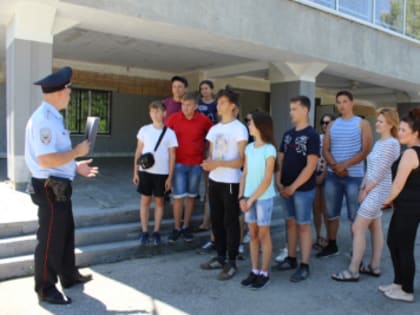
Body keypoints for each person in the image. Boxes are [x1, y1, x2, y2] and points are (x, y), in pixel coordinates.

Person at [25, 67, 98, 305]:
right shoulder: (43, 120)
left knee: (66, 232)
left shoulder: (53, 117)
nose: (70, 95)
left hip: (59, 184)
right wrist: (77, 151)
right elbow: (45, 160)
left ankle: (69, 276)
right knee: (50, 238)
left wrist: (75, 166)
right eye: (69, 90)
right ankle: (45, 287)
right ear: (60, 91)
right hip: (49, 187)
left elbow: (56, 157)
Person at [332, 108, 400, 282]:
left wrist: (366, 190)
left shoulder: (392, 144)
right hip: (372, 187)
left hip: (379, 190)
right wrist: (363, 185)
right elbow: (370, 169)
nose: (376, 123)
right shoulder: (379, 143)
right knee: (375, 226)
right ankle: (374, 266)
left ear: (391, 124)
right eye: (377, 120)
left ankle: (353, 270)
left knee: (357, 227)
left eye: (381, 121)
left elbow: (381, 171)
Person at [317, 91, 373, 258]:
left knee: (354, 215)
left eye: (345, 101)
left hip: (354, 177)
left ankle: (356, 250)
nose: (341, 105)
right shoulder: (333, 125)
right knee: (331, 213)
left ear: (352, 103)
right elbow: (325, 149)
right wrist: (335, 166)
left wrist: (344, 165)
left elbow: (365, 150)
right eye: (339, 102)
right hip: (334, 176)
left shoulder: (362, 123)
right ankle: (332, 244)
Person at [200, 86, 248, 280]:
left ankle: (232, 261)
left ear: (232, 106)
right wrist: (209, 164)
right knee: (216, 220)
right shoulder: (214, 129)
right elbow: (211, 155)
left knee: (231, 222)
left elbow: (242, 161)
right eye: (218, 102)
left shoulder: (240, 129)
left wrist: (218, 163)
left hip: (231, 182)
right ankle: (219, 257)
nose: (218, 106)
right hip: (215, 181)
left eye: (222, 102)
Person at [274, 96, 320, 282]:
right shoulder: (288, 134)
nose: (290, 112)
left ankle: (304, 264)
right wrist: (278, 181)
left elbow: (311, 166)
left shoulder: (312, 135)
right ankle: (291, 258)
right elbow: (280, 158)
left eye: (294, 109)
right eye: (290, 108)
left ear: (305, 110)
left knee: (303, 225)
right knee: (290, 223)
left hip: (302, 190)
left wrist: (293, 187)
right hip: (286, 187)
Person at [379, 108, 420, 303]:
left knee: (403, 246)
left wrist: (384, 201)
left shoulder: (411, 153)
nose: (400, 132)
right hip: (407, 206)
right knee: (394, 242)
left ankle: (407, 290)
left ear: (416, 133)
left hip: (408, 207)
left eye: (404, 130)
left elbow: (397, 184)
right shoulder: (411, 152)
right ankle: (398, 282)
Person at [166, 93, 212, 243]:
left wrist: (208, 152)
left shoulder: (203, 120)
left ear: (196, 106)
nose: (185, 108)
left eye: (189, 105)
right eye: (183, 105)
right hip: (178, 163)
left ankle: (186, 227)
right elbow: (164, 135)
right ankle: (176, 227)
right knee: (178, 197)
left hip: (196, 165)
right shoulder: (174, 118)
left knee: (191, 197)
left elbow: (213, 135)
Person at [239, 112, 277, 289]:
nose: (248, 125)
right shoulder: (249, 148)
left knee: (263, 235)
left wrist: (251, 199)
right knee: (252, 235)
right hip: (248, 199)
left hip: (262, 199)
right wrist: (241, 197)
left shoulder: (269, 149)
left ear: (260, 126)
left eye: (251, 122)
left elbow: (267, 180)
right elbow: (244, 173)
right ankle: (254, 270)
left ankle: (264, 272)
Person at [133, 101, 178, 246]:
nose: (156, 115)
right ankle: (145, 231)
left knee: (159, 202)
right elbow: (138, 152)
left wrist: (170, 176)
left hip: (162, 173)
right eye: (153, 112)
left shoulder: (170, 133)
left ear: (165, 113)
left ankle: (157, 231)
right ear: (150, 114)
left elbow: (172, 156)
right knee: (145, 201)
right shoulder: (144, 130)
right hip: (145, 172)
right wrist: (135, 172)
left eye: (159, 111)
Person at [313, 114, 335, 250]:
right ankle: (318, 236)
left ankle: (329, 237)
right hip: (315, 175)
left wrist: (325, 173)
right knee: (316, 208)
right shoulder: (318, 138)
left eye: (328, 122)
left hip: (330, 176)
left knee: (327, 209)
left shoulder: (336, 139)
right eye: (323, 122)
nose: (325, 125)